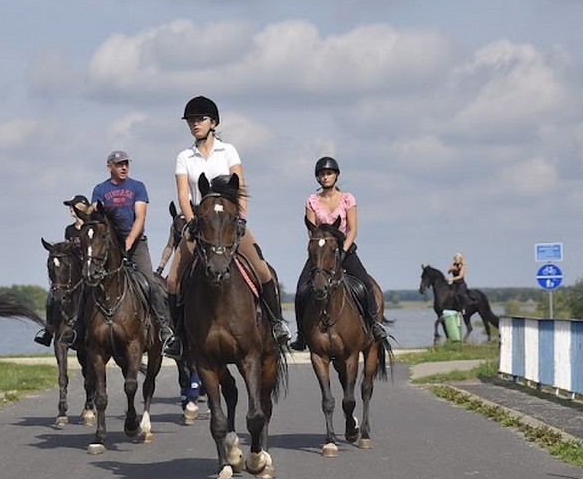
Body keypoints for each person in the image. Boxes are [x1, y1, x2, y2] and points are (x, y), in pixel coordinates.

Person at [165, 95, 291, 354]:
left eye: (200, 119)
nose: (195, 124)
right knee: (172, 281)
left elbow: (240, 188)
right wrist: (193, 224)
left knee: (263, 270)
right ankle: (177, 336)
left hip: (231, 225)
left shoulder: (228, 151)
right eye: (191, 120)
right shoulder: (184, 157)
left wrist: (241, 220)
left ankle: (277, 324)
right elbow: (182, 195)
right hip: (201, 226)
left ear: (213, 122)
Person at [288, 156, 389, 350]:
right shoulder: (312, 201)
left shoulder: (348, 199)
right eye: (322, 174)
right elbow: (312, 231)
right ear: (317, 178)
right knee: (301, 289)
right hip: (321, 253)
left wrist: (342, 251)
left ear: (336, 176)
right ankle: (302, 335)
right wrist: (320, 250)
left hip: (345, 251)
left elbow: (353, 230)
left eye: (329, 173)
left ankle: (375, 325)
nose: (325, 177)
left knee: (366, 284)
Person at [87, 149, 176, 353]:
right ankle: (79, 328)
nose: (124, 167)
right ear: (109, 166)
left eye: (126, 163)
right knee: (90, 281)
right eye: (119, 164)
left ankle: (164, 329)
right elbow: (96, 215)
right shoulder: (100, 189)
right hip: (109, 244)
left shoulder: (137, 187)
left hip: (136, 244)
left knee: (152, 284)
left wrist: (129, 240)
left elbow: (140, 217)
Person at [35, 194, 92, 346]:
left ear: (81, 208)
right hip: (73, 270)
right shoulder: (69, 230)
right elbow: (67, 250)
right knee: (51, 296)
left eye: (73, 206)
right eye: (70, 207)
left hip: (89, 268)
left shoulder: (90, 227)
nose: (70, 209)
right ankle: (49, 331)